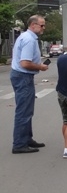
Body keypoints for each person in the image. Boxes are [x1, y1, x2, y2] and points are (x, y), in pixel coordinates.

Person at [10, 15, 49, 154]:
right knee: (24, 111)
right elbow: (25, 63)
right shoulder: (28, 40)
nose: (44, 27)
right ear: (33, 25)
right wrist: (40, 67)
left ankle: (27, 138)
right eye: (42, 25)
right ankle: (19, 144)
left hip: (21, 76)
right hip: (23, 77)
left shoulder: (27, 37)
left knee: (27, 109)